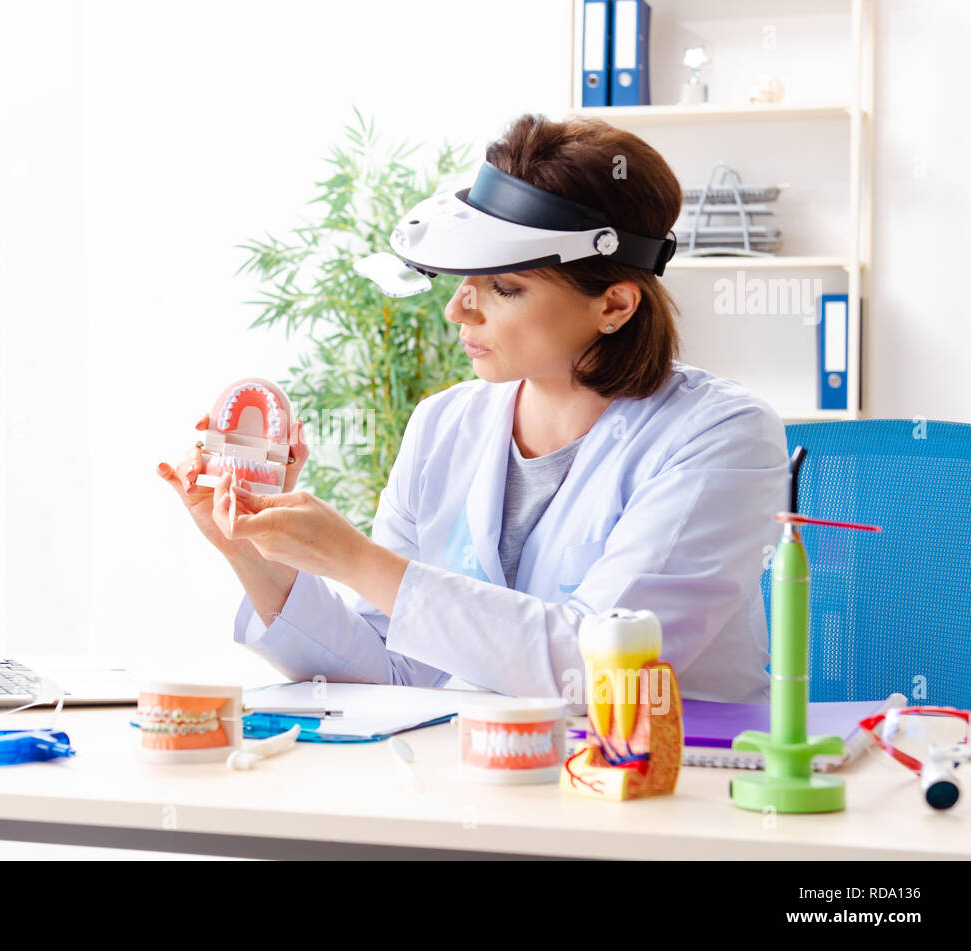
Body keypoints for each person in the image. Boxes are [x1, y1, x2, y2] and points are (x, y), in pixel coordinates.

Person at [157, 113, 785, 705]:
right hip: (497, 778)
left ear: (615, 305)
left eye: (504, 287)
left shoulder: (721, 435)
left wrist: (356, 559)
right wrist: (247, 549)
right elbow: (391, 671)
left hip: (670, 788)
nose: (459, 309)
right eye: (464, 280)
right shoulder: (443, 425)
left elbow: (599, 672)